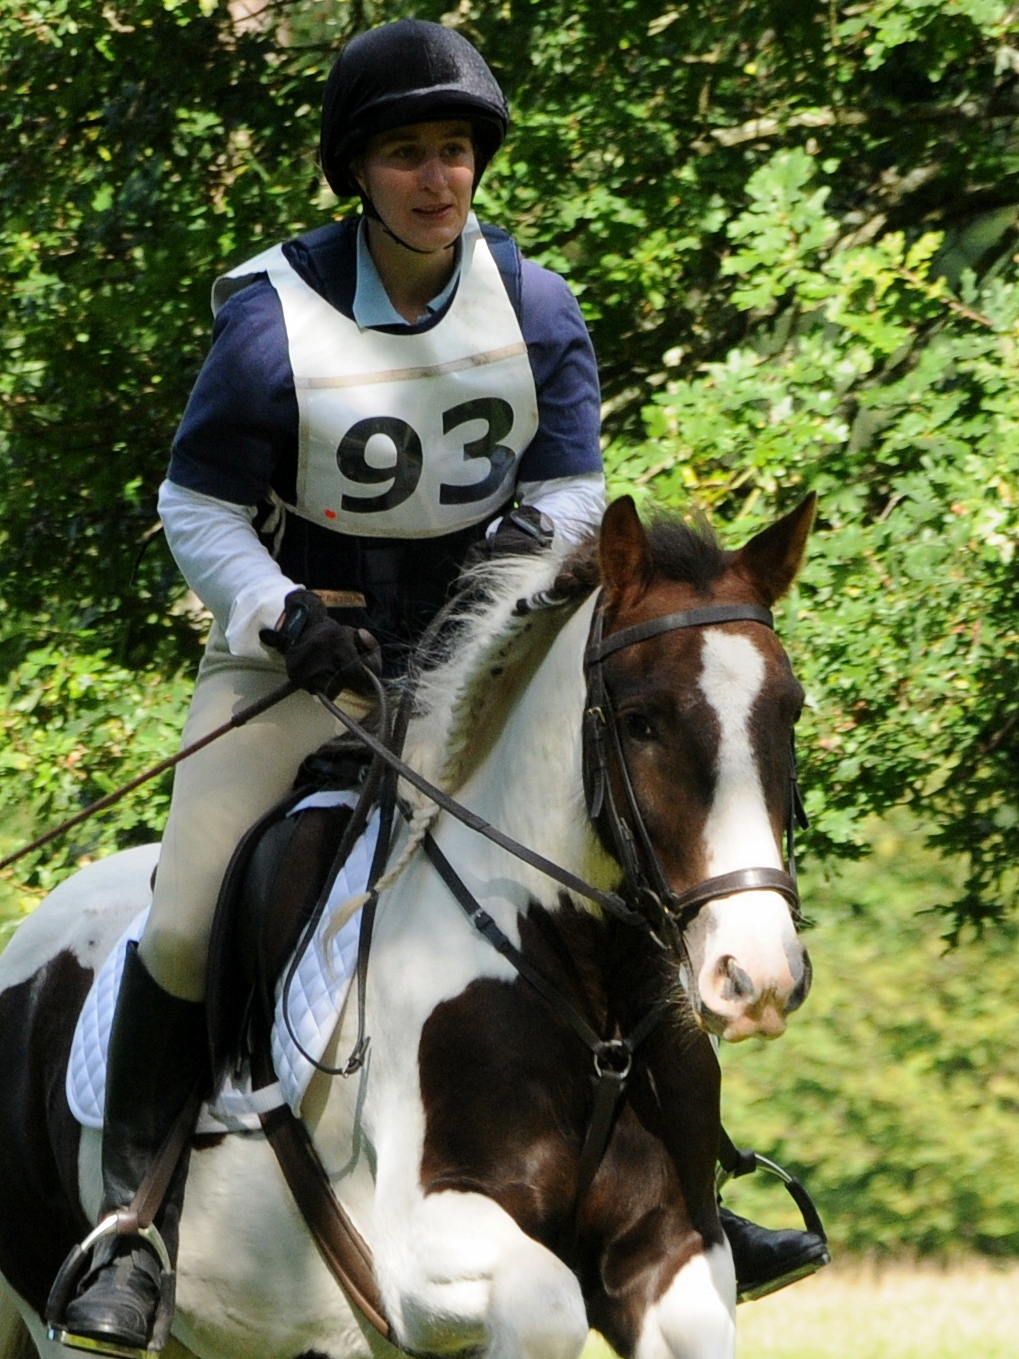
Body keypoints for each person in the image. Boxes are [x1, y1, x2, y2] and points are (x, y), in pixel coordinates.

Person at [49, 21, 824, 1359]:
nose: (436, 177)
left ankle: (687, 1185)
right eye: (407, 152)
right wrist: (282, 614)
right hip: (297, 665)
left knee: (616, 873)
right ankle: (133, 1224)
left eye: (455, 151)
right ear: (358, 170)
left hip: (480, 665)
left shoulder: (536, 307)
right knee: (182, 915)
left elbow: (571, 492)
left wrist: (500, 596)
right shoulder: (271, 317)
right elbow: (197, 504)